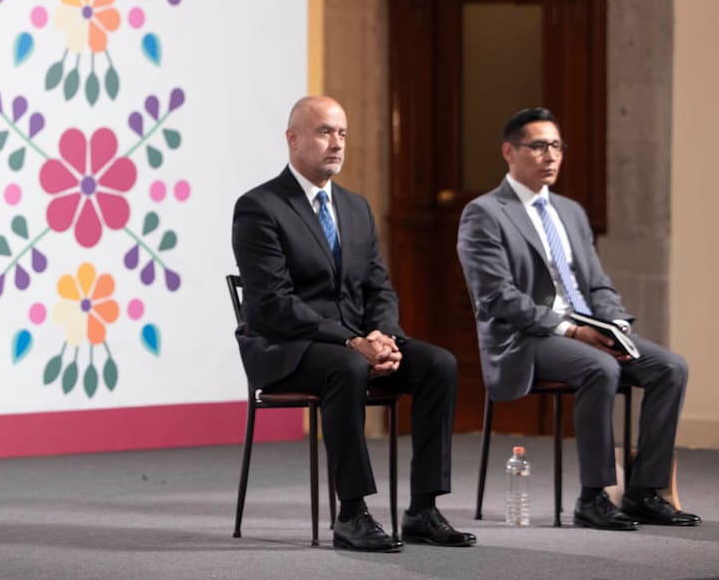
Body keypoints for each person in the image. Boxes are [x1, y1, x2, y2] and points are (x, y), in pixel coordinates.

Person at [231, 95, 475, 552]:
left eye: (342, 133)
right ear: (293, 139)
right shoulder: (259, 207)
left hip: (356, 343)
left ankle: (423, 509)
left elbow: (378, 288)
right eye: (324, 132)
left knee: (438, 364)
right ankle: (353, 514)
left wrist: (383, 335)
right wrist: (352, 340)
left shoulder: (356, 208)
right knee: (348, 368)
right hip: (287, 348)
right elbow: (273, 305)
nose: (336, 143)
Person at [456, 107, 700, 531]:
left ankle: (643, 492)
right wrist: (571, 329)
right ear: (509, 152)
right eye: (538, 146)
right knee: (599, 367)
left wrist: (614, 325)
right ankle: (593, 497)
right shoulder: (486, 212)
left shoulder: (571, 211)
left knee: (670, 368)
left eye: (556, 146)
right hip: (526, 336)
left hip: (588, 328)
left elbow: (597, 284)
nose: (550, 155)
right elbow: (497, 297)